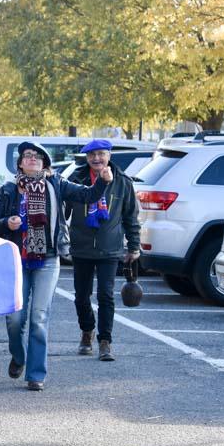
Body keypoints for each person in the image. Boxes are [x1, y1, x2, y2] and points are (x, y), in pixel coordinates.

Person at [0, 141, 112, 391]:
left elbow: (87, 195)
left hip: (48, 257)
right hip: (16, 259)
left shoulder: (57, 183)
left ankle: (35, 374)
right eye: (27, 156)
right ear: (20, 163)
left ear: (45, 162)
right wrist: (6, 223)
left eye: (37, 156)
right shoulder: (10, 189)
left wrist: (103, 181)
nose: (32, 158)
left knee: (39, 317)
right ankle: (19, 356)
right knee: (14, 319)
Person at [66, 139, 141, 362]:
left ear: (109, 155)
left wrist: (134, 246)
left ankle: (105, 341)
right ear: (86, 158)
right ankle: (87, 330)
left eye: (100, 154)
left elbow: (130, 216)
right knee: (81, 296)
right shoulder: (76, 179)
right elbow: (62, 210)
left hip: (111, 247)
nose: (96, 159)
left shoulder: (123, 182)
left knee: (106, 295)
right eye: (91, 155)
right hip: (82, 247)